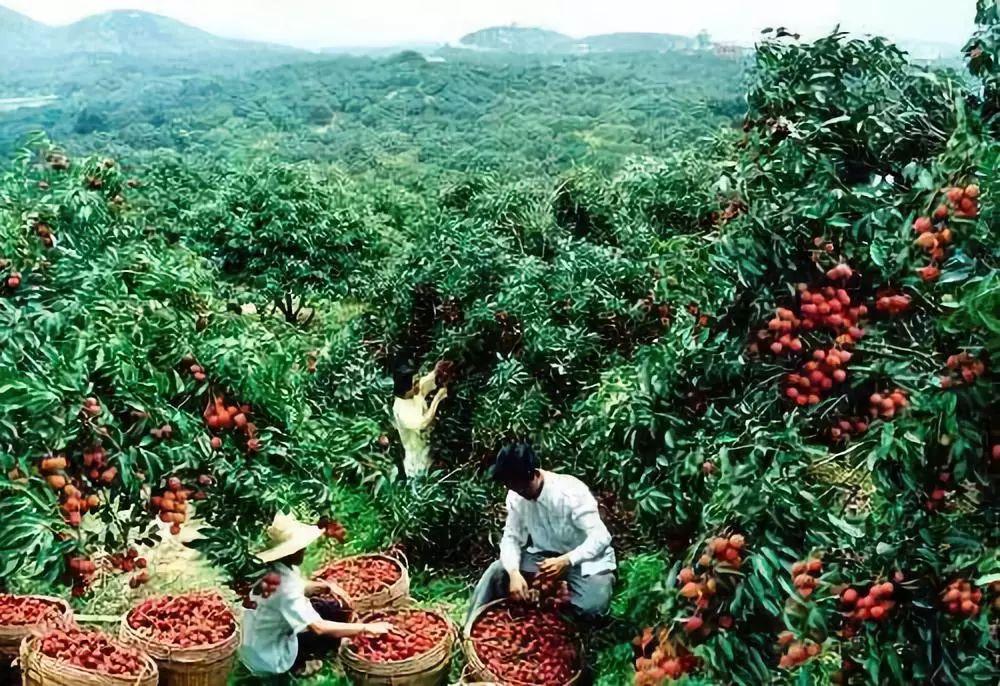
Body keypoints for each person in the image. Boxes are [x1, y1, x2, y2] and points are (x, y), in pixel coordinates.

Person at [465, 442, 616, 628]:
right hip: (543, 557)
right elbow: (512, 538)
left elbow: (601, 537)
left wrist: (567, 560)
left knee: (592, 607)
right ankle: (469, 629)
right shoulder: (515, 496)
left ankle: (556, 615)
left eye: (520, 487)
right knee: (497, 572)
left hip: (583, 559)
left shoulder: (570, 493)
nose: (517, 492)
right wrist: (514, 573)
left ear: (532, 475)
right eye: (511, 487)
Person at [239, 513, 392, 678]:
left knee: (327, 607)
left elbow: (296, 589)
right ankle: (299, 665)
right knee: (331, 614)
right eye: (300, 548)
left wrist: (327, 587)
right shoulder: (286, 587)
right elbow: (319, 627)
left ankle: (316, 650)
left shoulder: (271, 570)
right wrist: (366, 628)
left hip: (253, 645)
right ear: (291, 552)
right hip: (269, 659)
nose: (304, 550)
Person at [392, 362, 449, 477]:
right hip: (417, 460)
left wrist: (435, 372)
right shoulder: (402, 410)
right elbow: (423, 422)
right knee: (426, 483)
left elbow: (423, 384)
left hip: (429, 447)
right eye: (415, 384)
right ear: (406, 391)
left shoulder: (413, 394)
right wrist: (437, 398)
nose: (418, 385)